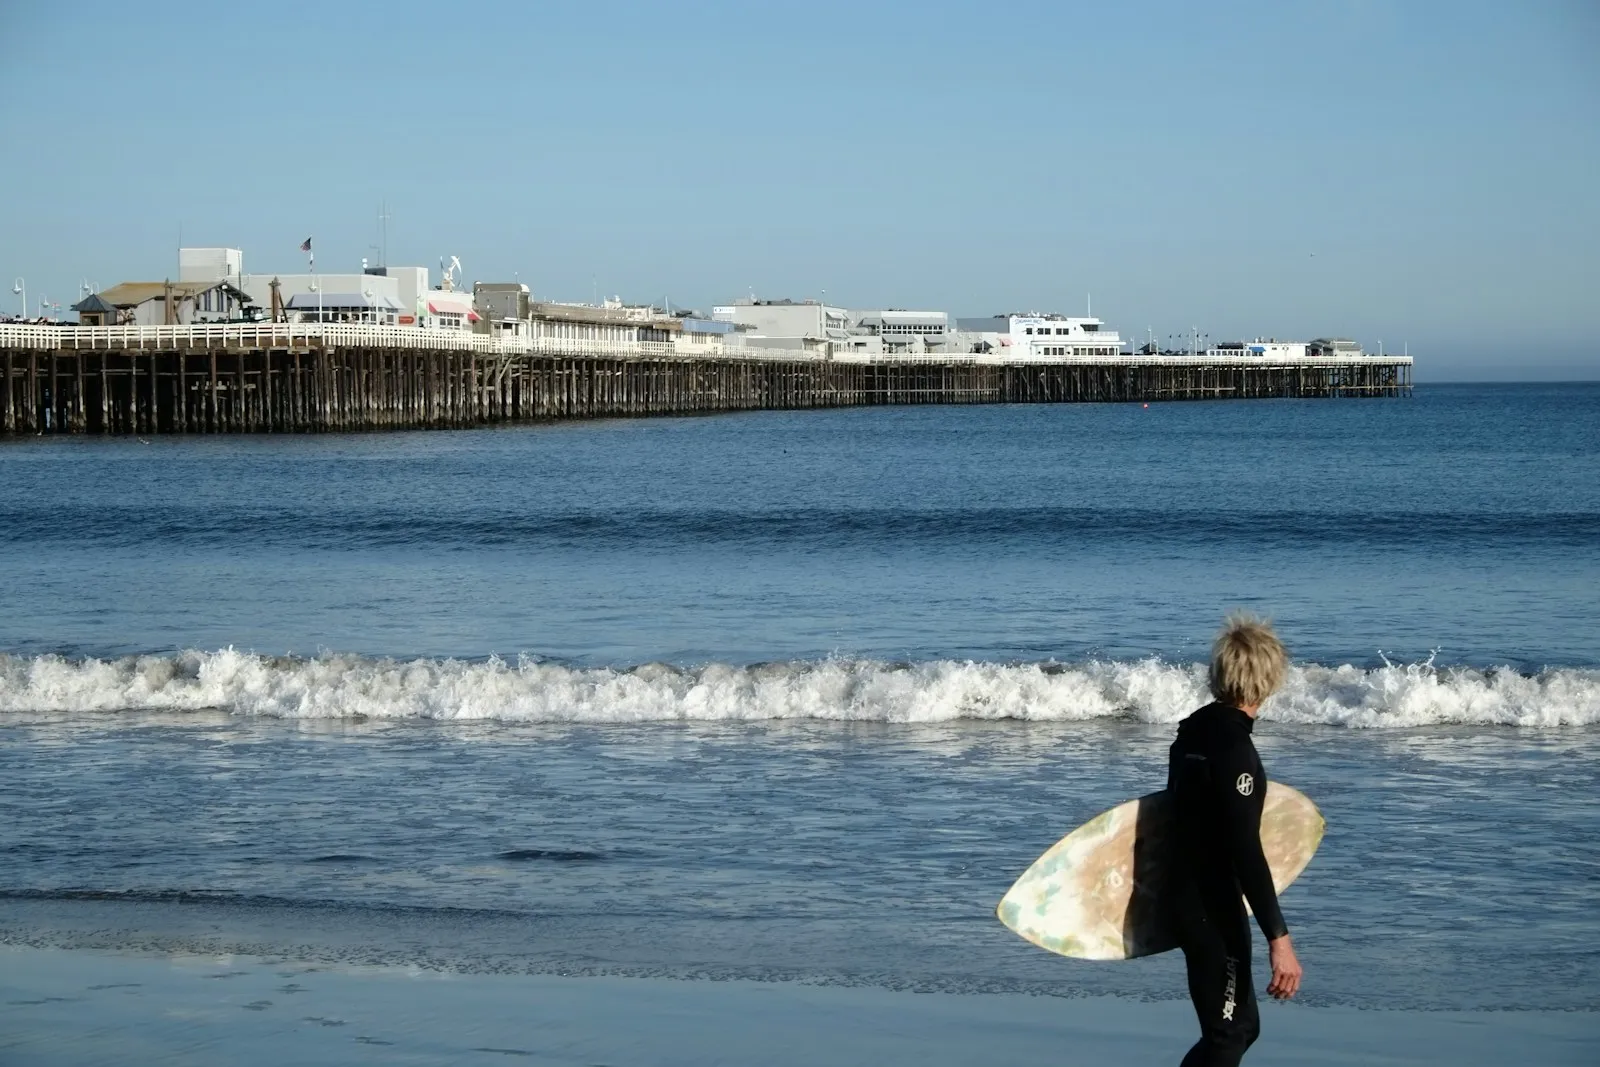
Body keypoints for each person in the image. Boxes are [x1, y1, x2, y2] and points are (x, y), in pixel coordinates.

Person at [1166, 615, 1303, 1066]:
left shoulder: (1191, 731)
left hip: (1188, 897)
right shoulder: (1235, 751)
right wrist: (1279, 940)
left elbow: (1179, 817)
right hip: (1212, 906)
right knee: (1229, 1034)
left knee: (1239, 1028)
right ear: (1268, 677)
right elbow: (1245, 847)